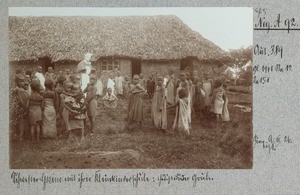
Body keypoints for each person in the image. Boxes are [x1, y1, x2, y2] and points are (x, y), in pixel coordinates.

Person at [13, 74, 29, 140]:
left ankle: (23, 135)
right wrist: (25, 108)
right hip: (20, 108)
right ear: (17, 82)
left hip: (23, 107)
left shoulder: (22, 89)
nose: (23, 83)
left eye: (23, 81)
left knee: (23, 122)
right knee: (20, 122)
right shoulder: (17, 90)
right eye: (21, 82)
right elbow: (21, 100)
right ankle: (20, 137)